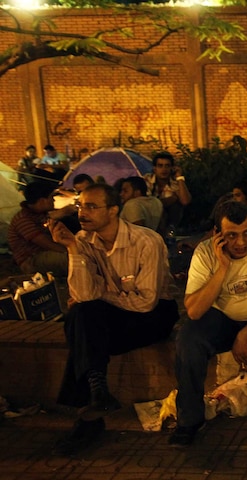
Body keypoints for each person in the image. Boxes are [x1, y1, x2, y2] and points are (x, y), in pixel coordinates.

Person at [47, 183, 178, 455]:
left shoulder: (146, 241)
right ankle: (97, 393)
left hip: (153, 316)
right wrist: (71, 248)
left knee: (81, 324)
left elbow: (145, 302)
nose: (83, 212)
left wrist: (101, 294)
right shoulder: (82, 240)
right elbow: (83, 296)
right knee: (80, 315)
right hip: (114, 315)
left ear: (113, 210)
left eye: (92, 206)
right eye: (81, 205)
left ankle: (88, 416)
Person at [172, 201, 247, 448]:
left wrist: (245, 334)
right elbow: (195, 311)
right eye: (231, 236)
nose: (241, 243)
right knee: (188, 340)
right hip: (223, 318)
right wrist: (222, 268)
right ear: (217, 234)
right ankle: (189, 420)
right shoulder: (206, 253)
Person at [7, 181, 68, 276]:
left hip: (44, 253)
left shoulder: (39, 214)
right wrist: (72, 251)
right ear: (42, 201)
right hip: (32, 260)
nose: (54, 200)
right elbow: (46, 244)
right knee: (72, 260)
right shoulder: (23, 219)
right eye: (51, 197)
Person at [144, 152, 191, 234]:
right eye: (160, 166)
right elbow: (145, 203)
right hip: (150, 219)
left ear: (172, 168)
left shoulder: (175, 183)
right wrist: (170, 199)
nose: (164, 169)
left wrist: (179, 177)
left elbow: (185, 201)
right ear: (155, 168)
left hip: (169, 221)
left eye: (167, 166)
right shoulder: (147, 180)